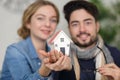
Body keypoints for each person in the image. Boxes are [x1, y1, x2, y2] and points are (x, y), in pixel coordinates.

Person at [50, 0, 120, 80]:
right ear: (69, 29)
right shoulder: (61, 59)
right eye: (75, 24)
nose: (82, 29)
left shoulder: (115, 55)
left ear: (97, 26)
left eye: (88, 23)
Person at [0, 0, 60, 80]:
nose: (48, 24)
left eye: (53, 20)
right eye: (40, 18)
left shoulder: (53, 53)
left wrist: (69, 69)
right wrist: (43, 72)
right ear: (28, 23)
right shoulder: (15, 51)